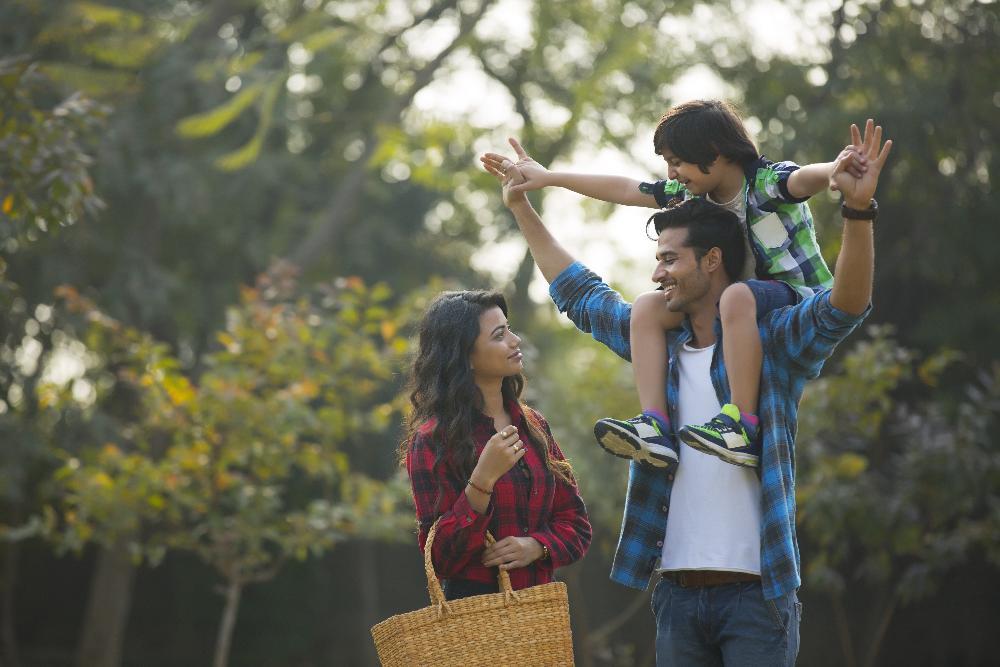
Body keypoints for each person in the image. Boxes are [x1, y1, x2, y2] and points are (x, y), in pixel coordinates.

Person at [485, 120, 891, 664]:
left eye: (669, 260)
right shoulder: (659, 349)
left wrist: (858, 212)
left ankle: (736, 426)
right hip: (675, 595)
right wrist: (522, 207)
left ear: (713, 260)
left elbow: (844, 305)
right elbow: (581, 294)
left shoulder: (769, 347)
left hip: (756, 595)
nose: (657, 275)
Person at [481, 100, 868, 472]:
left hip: (790, 297)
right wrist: (550, 179)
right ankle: (654, 426)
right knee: (649, 306)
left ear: (714, 153)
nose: (671, 174)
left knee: (736, 296)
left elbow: (803, 179)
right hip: (734, 306)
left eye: (677, 162)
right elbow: (629, 190)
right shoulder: (692, 195)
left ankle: (741, 422)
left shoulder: (764, 183)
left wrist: (836, 171)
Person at [402, 289, 592, 601]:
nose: (515, 340)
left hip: (540, 612)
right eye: (499, 335)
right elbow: (440, 559)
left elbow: (576, 525)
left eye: (509, 329)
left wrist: (537, 546)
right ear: (465, 355)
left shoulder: (534, 426)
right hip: (477, 621)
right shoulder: (432, 440)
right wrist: (481, 481)